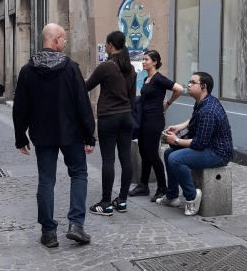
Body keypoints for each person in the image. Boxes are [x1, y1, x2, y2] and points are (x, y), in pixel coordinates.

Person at [13, 23, 96, 247]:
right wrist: (89, 135)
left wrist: (21, 137)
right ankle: (76, 225)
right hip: (71, 132)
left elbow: (20, 107)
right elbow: (82, 103)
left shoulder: (28, 70)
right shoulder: (71, 68)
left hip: (42, 134)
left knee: (46, 180)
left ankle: (49, 232)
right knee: (78, 174)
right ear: (56, 39)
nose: (65, 44)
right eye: (64, 39)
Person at [157, 71, 233, 216]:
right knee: (168, 153)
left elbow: (199, 144)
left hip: (218, 153)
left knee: (175, 158)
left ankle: (192, 197)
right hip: (208, 147)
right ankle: (172, 196)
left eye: (193, 83)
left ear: (204, 87)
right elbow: (195, 119)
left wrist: (176, 140)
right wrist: (179, 127)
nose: (189, 85)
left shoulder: (208, 110)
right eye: (189, 82)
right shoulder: (203, 102)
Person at [85, 30, 136, 215]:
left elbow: (85, 87)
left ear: (110, 45)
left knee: (108, 159)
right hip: (126, 116)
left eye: (107, 44)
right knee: (126, 158)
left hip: (108, 116)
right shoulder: (130, 68)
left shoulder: (106, 67)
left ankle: (106, 203)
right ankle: (122, 201)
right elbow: (132, 98)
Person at [128, 50, 184, 202]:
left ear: (155, 62)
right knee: (143, 152)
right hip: (144, 119)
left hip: (154, 120)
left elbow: (179, 89)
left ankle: (162, 187)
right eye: (143, 59)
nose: (143, 62)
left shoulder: (159, 78)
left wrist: (167, 103)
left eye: (146, 59)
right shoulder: (147, 79)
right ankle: (143, 185)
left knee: (152, 153)